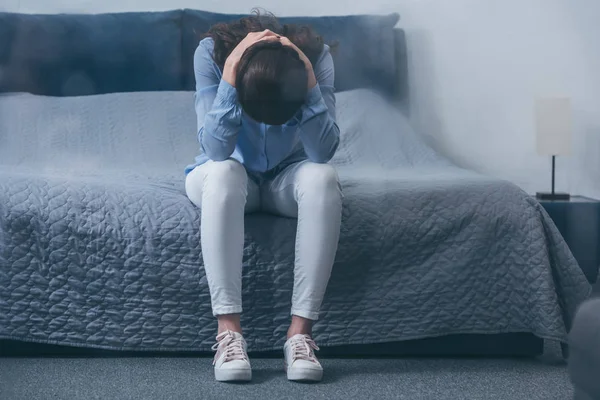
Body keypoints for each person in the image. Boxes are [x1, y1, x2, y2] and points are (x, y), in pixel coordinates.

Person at [184, 12, 342, 383]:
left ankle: (300, 334)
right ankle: (228, 333)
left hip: (284, 179)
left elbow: (321, 152)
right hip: (225, 175)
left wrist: (308, 79)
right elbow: (216, 149)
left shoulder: (317, 57)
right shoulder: (210, 53)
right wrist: (232, 70)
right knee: (224, 172)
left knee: (323, 178)